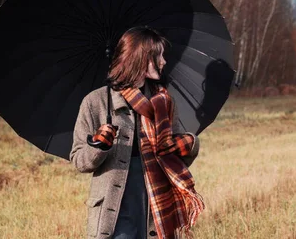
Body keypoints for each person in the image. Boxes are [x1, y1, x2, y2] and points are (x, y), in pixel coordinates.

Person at [70, 26, 204, 239]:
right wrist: (99, 146)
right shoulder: (95, 102)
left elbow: (177, 160)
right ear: (142, 58)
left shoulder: (164, 103)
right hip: (116, 207)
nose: (164, 61)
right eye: (158, 55)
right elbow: (78, 160)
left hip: (156, 201)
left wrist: (186, 144)